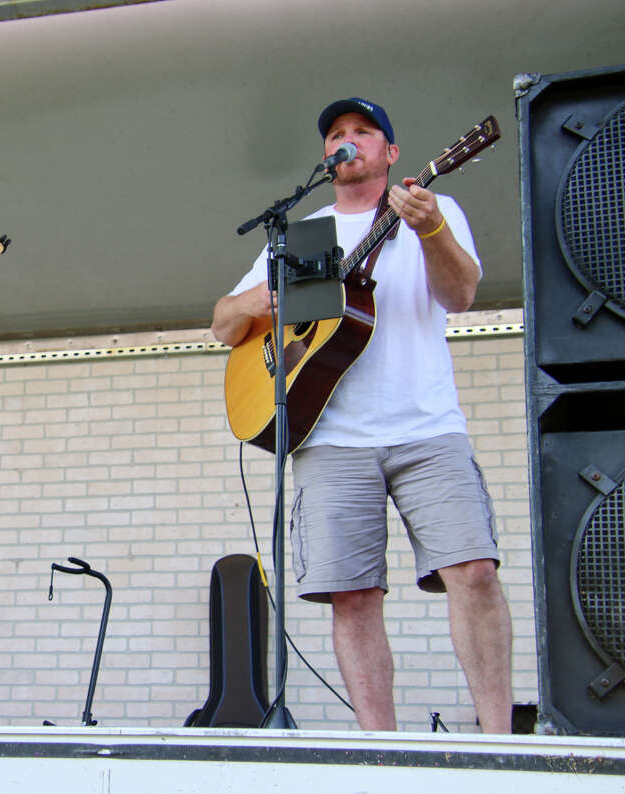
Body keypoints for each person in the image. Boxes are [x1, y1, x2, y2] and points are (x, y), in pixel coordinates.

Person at [211, 98, 511, 733]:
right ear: (326, 157)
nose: (346, 141)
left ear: (390, 153)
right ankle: (381, 749)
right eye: (335, 135)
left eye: (362, 132)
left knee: (474, 571)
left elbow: (460, 295)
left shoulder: (433, 208)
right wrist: (263, 299)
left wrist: (431, 229)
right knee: (351, 596)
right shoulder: (301, 234)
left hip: (428, 428)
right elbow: (222, 324)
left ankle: (501, 743)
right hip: (331, 438)